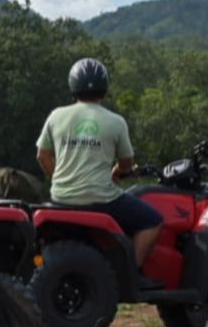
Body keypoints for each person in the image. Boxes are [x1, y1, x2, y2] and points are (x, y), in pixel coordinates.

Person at [35, 57, 163, 282]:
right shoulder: (116, 121)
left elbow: (42, 155)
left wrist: (60, 179)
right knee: (152, 221)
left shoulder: (56, 116)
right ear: (104, 87)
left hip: (61, 198)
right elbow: (126, 164)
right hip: (102, 199)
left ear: (73, 87)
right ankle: (130, 274)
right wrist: (116, 174)